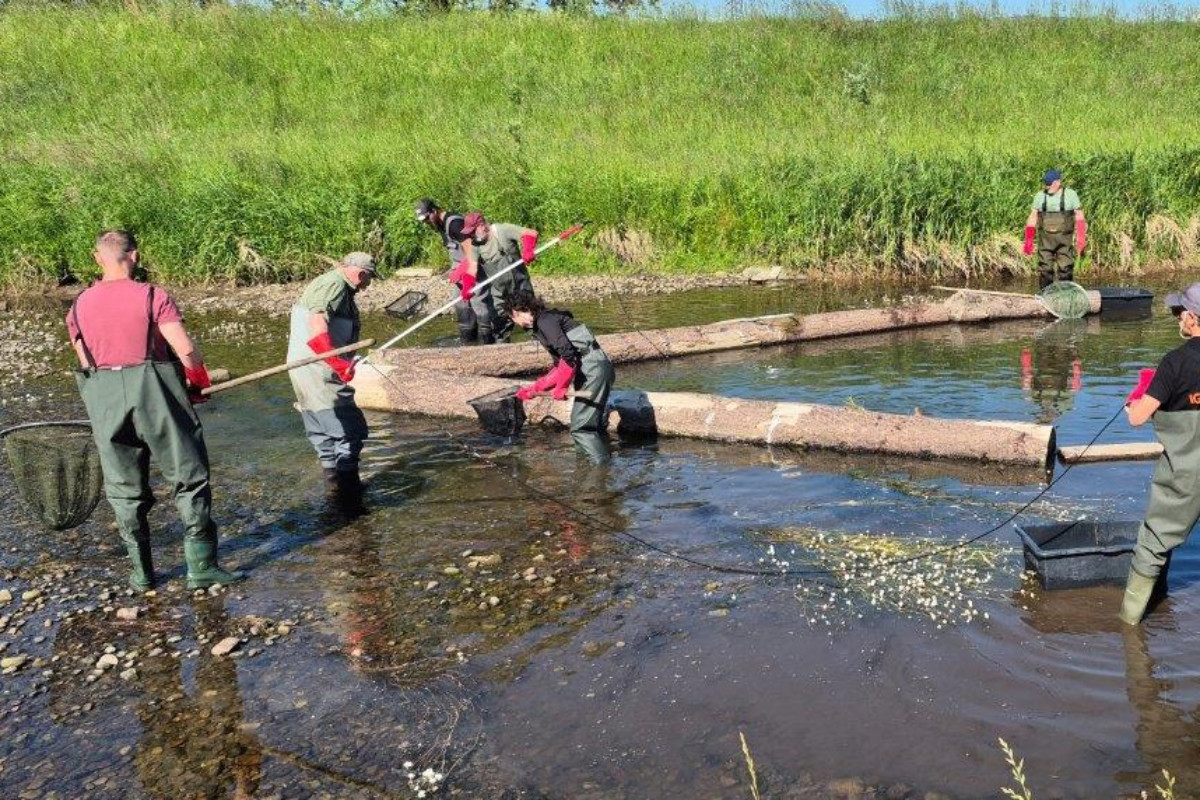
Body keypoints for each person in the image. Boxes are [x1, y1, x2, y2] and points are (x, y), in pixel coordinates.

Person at [66, 230, 240, 591]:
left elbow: (84, 361)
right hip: (155, 395)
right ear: (136, 256)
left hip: (104, 398)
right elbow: (185, 350)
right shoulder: (152, 296)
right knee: (189, 477)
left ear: (97, 258)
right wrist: (195, 383)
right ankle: (202, 569)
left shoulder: (78, 305)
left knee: (124, 489)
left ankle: (142, 575)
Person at [1119, 282, 1200, 624]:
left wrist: (1134, 400)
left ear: (1193, 318)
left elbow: (1137, 417)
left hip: (1187, 475)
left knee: (1152, 543)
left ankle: (1128, 629)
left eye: (1180, 312)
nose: (1178, 318)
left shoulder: (1175, 362)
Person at [287, 252, 375, 500]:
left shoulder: (336, 286)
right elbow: (317, 324)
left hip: (304, 366)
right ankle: (349, 494)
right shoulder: (334, 285)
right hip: (318, 368)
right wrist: (337, 363)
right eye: (368, 279)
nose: (367, 286)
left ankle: (334, 489)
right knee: (349, 429)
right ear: (360, 274)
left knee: (320, 428)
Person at [508, 291, 615, 442]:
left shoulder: (546, 321)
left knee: (581, 429)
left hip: (594, 368)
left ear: (516, 312)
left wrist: (562, 386)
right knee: (586, 423)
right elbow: (560, 365)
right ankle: (592, 462)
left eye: (512, 318)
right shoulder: (542, 323)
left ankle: (597, 465)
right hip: (587, 369)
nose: (514, 322)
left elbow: (568, 356)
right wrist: (536, 388)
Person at [415, 198, 491, 345]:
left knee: (478, 303)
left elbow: (471, 250)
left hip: (473, 269)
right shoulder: (440, 224)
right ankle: (468, 342)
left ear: (434, 211)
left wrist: (466, 274)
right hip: (460, 270)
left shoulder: (454, 224)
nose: (426, 222)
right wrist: (454, 271)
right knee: (461, 304)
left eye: (427, 218)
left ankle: (489, 342)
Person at [456, 212, 538, 342]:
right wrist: (467, 287)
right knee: (499, 326)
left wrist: (528, 249)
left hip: (520, 285)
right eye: (469, 233)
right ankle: (502, 351)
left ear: (482, 225)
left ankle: (541, 344)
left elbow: (530, 233)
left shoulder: (502, 230)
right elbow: (472, 268)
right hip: (499, 291)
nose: (470, 235)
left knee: (531, 319)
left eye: (472, 231)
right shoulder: (475, 245)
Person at [1022, 168, 1088, 289]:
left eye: (1050, 184)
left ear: (1058, 182)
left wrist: (1081, 238)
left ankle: (1067, 295)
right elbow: (1032, 217)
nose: (1047, 187)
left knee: (1065, 269)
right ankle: (1046, 296)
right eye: (1046, 184)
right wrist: (1028, 242)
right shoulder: (1040, 196)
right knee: (1045, 269)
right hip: (1046, 243)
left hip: (1064, 242)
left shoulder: (1070, 195)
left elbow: (1079, 215)